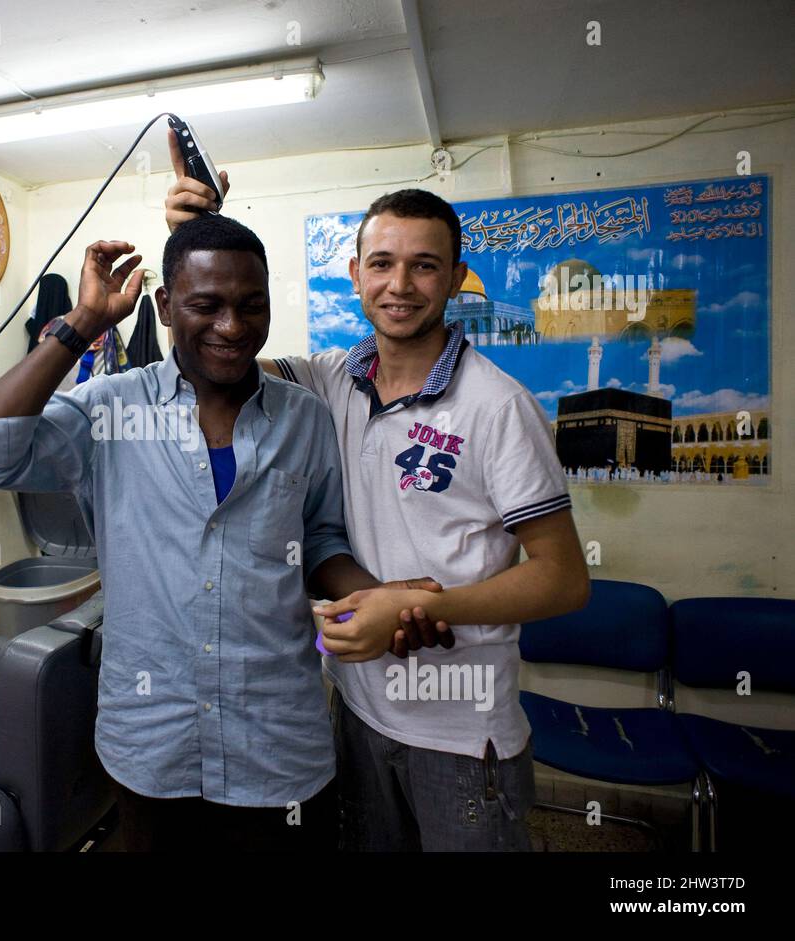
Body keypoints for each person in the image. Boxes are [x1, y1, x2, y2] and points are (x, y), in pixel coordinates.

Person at [0, 217, 438, 852]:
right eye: (206, 305)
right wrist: (81, 325)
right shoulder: (111, 408)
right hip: (152, 742)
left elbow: (319, 540)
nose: (232, 327)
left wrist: (379, 600)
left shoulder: (304, 418)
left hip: (277, 744)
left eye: (250, 306)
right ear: (165, 307)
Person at [165, 142, 590, 851]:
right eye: (383, 263)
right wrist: (192, 235)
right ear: (356, 273)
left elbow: (564, 577)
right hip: (357, 713)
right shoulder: (332, 380)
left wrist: (421, 603)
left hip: (462, 732)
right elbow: (212, 346)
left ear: (456, 279)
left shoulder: (497, 405)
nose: (401, 284)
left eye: (425, 265)